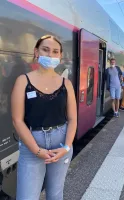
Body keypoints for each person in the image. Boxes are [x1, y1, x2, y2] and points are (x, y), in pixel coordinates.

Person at [11, 35, 77, 200]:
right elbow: (17, 120)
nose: (50, 55)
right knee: (27, 197)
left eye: (55, 52)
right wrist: (37, 150)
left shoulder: (66, 84)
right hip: (32, 145)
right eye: (45, 50)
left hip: (61, 144)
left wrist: (66, 147)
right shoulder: (23, 81)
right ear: (36, 52)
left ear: (60, 56)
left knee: (55, 195)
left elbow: (72, 119)